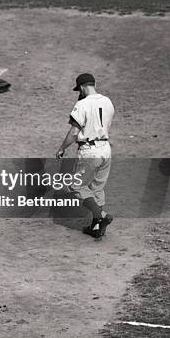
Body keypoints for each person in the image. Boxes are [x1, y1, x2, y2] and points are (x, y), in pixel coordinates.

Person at [56, 73, 115, 239]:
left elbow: (74, 131)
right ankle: (96, 227)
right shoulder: (108, 101)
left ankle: (101, 215)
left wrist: (62, 148)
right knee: (97, 188)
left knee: (77, 186)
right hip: (105, 149)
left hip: (90, 151)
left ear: (82, 87)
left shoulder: (82, 104)